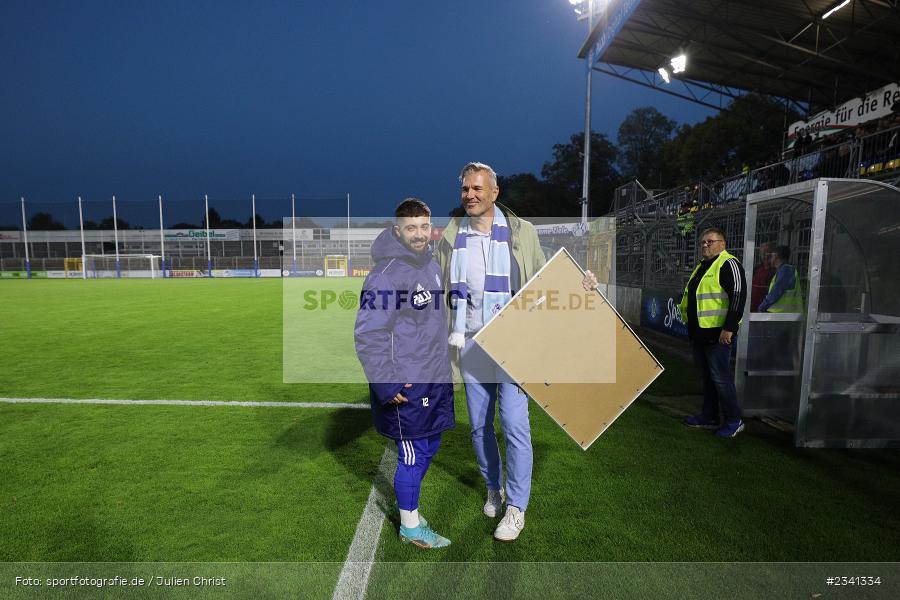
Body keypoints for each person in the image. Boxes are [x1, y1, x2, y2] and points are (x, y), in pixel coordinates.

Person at [433, 162, 546, 542]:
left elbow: (545, 280)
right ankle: (493, 488)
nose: (470, 195)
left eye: (478, 188)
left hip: (512, 345)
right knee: (480, 428)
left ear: (494, 193)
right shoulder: (449, 237)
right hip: (469, 345)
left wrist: (583, 282)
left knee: (514, 426)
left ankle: (516, 507)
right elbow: (435, 289)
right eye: (465, 189)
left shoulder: (522, 232)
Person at [354, 198, 455, 549]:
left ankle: (408, 508)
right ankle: (410, 525)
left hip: (434, 376)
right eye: (411, 228)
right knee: (412, 453)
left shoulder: (431, 265)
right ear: (397, 231)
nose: (419, 234)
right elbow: (368, 334)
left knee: (431, 444)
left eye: (424, 227)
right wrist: (386, 383)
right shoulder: (385, 276)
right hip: (406, 383)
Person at [679, 227, 747, 438]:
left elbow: (738, 295)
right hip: (700, 334)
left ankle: (734, 420)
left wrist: (729, 327)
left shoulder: (729, 264)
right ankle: (709, 416)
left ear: (722, 243)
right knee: (707, 377)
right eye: (703, 243)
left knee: (720, 378)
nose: (705, 245)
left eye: (710, 241)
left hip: (718, 334)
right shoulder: (703, 266)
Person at [758, 245, 802, 313]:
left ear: (776, 256)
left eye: (771, 256)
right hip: (783, 315)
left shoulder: (786, 270)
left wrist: (763, 306)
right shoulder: (784, 270)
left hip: (782, 316)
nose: (770, 259)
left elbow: (776, 291)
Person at [750, 242, 775, 312]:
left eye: (768, 254)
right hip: (752, 309)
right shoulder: (755, 269)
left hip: (766, 309)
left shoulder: (776, 271)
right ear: (760, 255)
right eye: (763, 254)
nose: (766, 256)